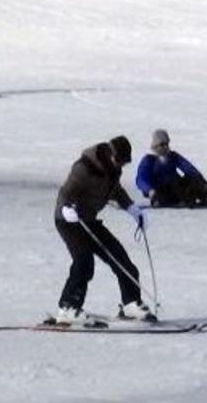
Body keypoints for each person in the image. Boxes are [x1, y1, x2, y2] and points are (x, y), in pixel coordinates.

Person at [53, 136, 154, 325]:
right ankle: (68, 308)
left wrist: (133, 210)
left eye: (124, 162)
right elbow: (67, 191)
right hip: (69, 221)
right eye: (120, 161)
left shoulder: (113, 170)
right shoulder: (84, 167)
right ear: (110, 153)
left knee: (120, 258)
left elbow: (116, 191)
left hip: (89, 221)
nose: (121, 165)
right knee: (83, 262)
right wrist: (66, 208)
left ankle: (131, 304)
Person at [135, 130, 207, 208]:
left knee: (189, 178)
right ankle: (189, 198)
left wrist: (199, 179)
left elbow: (188, 167)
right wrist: (150, 191)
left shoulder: (173, 156)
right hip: (160, 192)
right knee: (174, 182)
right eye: (162, 144)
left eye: (167, 144)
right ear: (155, 146)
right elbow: (141, 178)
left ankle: (204, 190)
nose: (165, 147)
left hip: (178, 187)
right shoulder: (149, 160)